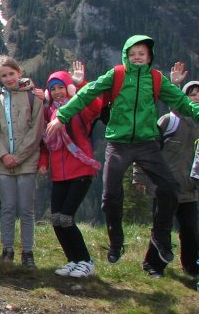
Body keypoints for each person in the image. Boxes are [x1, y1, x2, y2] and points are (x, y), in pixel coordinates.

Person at [47, 35, 199, 269]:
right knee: (110, 195)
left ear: (149, 57)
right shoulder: (116, 75)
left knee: (170, 188)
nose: (137, 58)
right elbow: (86, 94)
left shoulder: (156, 79)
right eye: (133, 54)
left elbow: (182, 102)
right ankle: (116, 242)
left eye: (142, 54)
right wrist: (62, 116)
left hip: (147, 143)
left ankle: (161, 237)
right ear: (126, 56)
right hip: (118, 143)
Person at [40, 64, 101, 278]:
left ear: (69, 88)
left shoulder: (78, 107)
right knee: (56, 219)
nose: (57, 92)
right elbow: (45, 143)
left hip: (81, 170)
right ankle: (73, 260)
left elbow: (96, 106)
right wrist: (43, 163)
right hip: (59, 173)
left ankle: (85, 261)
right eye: (53, 89)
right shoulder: (49, 113)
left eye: (61, 87)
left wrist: (80, 84)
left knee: (66, 217)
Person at [135, 78, 199, 279]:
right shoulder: (168, 121)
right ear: (184, 98)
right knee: (162, 228)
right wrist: (139, 176)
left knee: (191, 229)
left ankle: (192, 267)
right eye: (192, 94)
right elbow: (146, 147)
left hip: (190, 188)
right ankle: (152, 266)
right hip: (165, 187)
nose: (197, 98)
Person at [0, 55, 45, 268]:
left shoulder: (34, 98)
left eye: (11, 73)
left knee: (26, 209)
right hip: (2, 163)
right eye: (4, 75)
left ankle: (27, 252)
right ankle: (7, 249)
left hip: (27, 162)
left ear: (19, 72)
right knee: (8, 208)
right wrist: (3, 155)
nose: (9, 78)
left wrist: (18, 157)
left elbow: (36, 131)